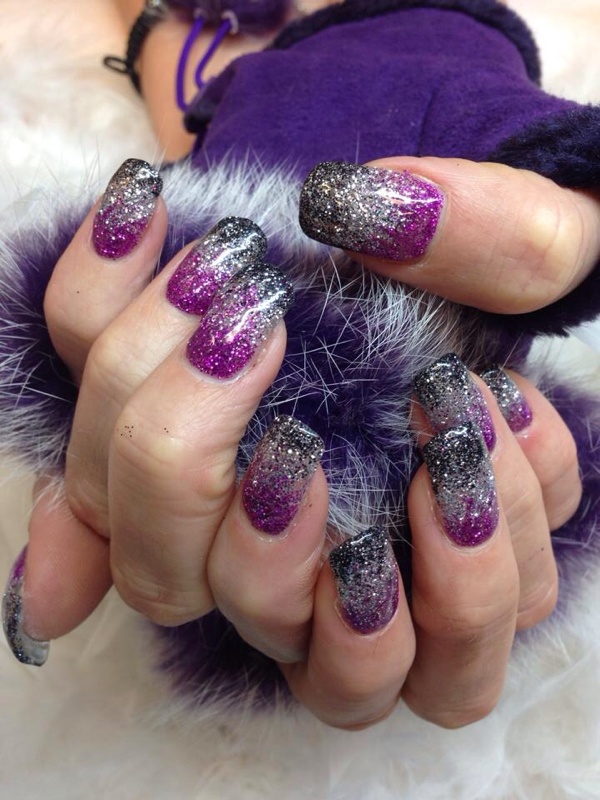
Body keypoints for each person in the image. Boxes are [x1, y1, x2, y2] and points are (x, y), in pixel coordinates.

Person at [1, 0, 599, 732]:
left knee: (122, 403)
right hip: (278, 316)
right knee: (121, 386)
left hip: (343, 333)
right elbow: (212, 137)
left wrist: (570, 207)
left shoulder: (448, 44)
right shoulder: (235, 63)